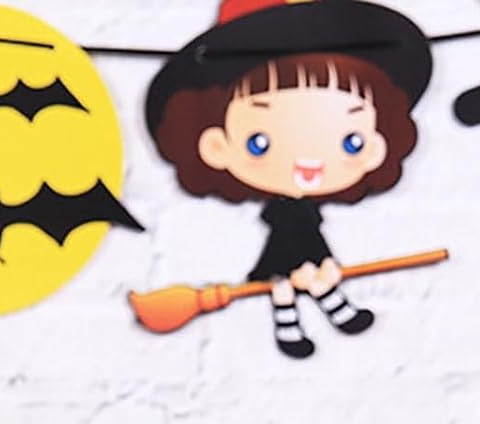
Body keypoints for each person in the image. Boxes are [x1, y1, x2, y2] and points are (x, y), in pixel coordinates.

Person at [146, 0, 430, 358]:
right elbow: (300, 237)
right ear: (217, 146)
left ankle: (326, 312)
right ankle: (314, 318)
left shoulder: (298, 209)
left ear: (375, 147)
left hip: (294, 246)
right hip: (285, 251)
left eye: (350, 141)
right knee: (297, 279)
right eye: (259, 142)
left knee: (307, 276)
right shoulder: (286, 212)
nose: (308, 161)